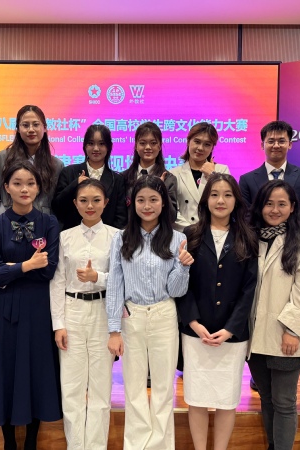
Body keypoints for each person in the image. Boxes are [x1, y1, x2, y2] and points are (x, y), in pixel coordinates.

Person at [106, 175, 193, 450]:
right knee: (133, 388)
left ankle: (160, 445)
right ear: (132, 203)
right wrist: (113, 329)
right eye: (141, 200)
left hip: (164, 315)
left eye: (153, 200)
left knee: (163, 388)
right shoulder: (121, 238)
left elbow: (177, 290)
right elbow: (115, 284)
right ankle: (136, 445)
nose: (147, 206)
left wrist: (183, 267)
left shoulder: (178, 239)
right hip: (131, 316)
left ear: (163, 203)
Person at [0, 161, 62, 450]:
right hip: (4, 309)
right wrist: (26, 265)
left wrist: (11, 268)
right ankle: (8, 443)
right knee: (6, 372)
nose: (24, 189)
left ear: (39, 188)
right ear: (6, 188)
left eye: (30, 183)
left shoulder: (49, 223)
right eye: (17, 183)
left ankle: (30, 442)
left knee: (36, 371)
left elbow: (49, 269)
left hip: (39, 307)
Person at [176, 173, 258, 450]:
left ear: (236, 200)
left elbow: (249, 289)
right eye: (214, 194)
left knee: (227, 399)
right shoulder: (190, 235)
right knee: (196, 398)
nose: (220, 200)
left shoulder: (247, 237)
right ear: (205, 200)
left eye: (227, 195)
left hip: (232, 335)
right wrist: (193, 322)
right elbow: (182, 283)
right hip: (195, 332)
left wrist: (231, 328)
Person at [247, 180, 300, 450]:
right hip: (255, 337)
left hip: (285, 337)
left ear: (292, 208)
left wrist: (292, 330)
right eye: (269, 203)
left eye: (281, 204)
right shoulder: (250, 239)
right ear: (259, 206)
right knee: (266, 398)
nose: (274, 210)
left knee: (284, 402)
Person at [50, 178, 118, 449]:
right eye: (84, 201)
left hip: (103, 311)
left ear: (106, 203)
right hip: (73, 312)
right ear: (75, 204)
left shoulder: (117, 237)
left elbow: (123, 280)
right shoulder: (65, 237)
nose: (90, 206)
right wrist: (58, 324)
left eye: (96, 200)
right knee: (72, 389)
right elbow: (57, 282)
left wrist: (97, 277)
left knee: (101, 389)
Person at [0, 105, 64, 218]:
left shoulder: (56, 165)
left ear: (45, 128)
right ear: (18, 129)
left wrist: (49, 224)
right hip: (7, 223)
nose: (31, 130)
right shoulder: (1, 158)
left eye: (36, 124)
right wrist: (4, 220)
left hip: (42, 225)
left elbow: (58, 204)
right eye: (25, 125)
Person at [239, 120, 300, 232]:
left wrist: (289, 235)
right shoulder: (247, 180)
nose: (276, 145)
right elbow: (245, 215)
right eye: (271, 141)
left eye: (281, 141)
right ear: (262, 145)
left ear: (290, 144)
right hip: (257, 239)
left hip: (292, 238)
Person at [52, 124, 127, 230]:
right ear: (85, 146)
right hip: (73, 235)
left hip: (107, 237)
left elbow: (121, 217)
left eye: (101, 144)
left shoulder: (117, 179)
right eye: (91, 143)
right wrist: (75, 184)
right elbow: (57, 208)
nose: (96, 148)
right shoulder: (69, 172)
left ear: (108, 147)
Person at [169, 122, 230, 232]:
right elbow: (172, 211)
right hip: (183, 234)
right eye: (197, 142)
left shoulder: (221, 170)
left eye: (207, 144)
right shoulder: (174, 173)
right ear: (188, 141)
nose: (200, 148)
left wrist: (212, 175)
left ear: (212, 147)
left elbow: (226, 202)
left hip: (214, 233)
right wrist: (192, 230)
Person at [121, 122, 178, 222]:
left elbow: (172, 218)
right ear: (136, 146)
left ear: (159, 146)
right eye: (142, 143)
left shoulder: (169, 179)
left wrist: (161, 189)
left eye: (153, 143)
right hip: (130, 231)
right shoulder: (123, 177)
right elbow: (120, 216)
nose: (148, 147)